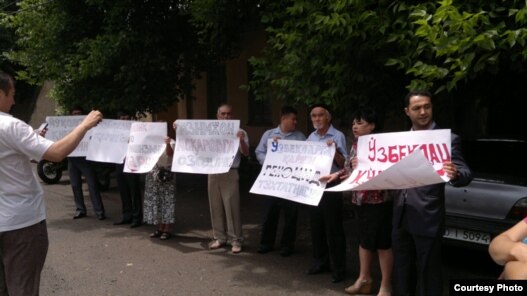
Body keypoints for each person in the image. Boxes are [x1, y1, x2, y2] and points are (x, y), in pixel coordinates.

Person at [0, 70, 103, 295]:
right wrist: (85, 125)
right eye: (12, 94)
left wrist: (34, 136)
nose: (14, 100)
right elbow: (56, 153)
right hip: (21, 225)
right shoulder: (10, 126)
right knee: (23, 289)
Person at [392, 90, 472, 295]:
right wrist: (362, 165)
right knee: (402, 271)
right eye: (417, 108)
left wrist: (454, 174)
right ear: (407, 111)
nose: (423, 111)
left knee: (429, 274)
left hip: (428, 216)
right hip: (400, 215)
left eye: (427, 106)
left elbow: (466, 173)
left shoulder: (447, 139)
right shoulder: (397, 141)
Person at [320, 107, 393, 295]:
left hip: (379, 201)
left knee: (382, 244)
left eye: (359, 123)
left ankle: (385, 285)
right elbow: (348, 168)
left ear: (372, 126)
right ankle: (364, 279)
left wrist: (363, 167)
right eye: (353, 123)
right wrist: (335, 175)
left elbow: (388, 172)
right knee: (363, 240)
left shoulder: (383, 145)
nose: (354, 126)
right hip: (359, 200)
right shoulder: (355, 145)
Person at [255, 106, 306, 257]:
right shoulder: (269, 135)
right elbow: (259, 152)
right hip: (272, 182)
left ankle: (287, 246)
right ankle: (266, 243)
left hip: (291, 183)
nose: (295, 122)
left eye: (296, 119)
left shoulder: (300, 137)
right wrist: (269, 160)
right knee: (270, 212)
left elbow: (306, 156)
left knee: (290, 214)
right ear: (283, 118)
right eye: (293, 119)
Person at [305, 103, 348, 283]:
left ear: (328, 117)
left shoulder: (338, 136)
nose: (317, 119)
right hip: (314, 186)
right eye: (314, 116)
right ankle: (319, 262)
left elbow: (344, 164)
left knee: (334, 228)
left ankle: (339, 268)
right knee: (316, 226)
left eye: (320, 115)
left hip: (331, 186)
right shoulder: (311, 137)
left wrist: (335, 150)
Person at [207, 104, 249, 254]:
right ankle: (219, 237)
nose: (226, 117)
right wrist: (180, 128)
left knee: (232, 206)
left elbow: (245, 153)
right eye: (223, 114)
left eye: (229, 114)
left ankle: (235, 240)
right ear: (217, 116)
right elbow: (194, 142)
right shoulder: (210, 131)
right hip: (213, 171)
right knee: (215, 205)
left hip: (230, 172)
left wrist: (241, 141)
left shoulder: (240, 131)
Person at [67, 106, 106, 220]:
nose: (76, 115)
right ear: (70, 115)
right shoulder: (67, 126)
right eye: (74, 113)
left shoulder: (88, 126)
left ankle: (99, 211)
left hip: (85, 158)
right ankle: (80, 210)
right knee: (75, 185)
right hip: (72, 158)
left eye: (79, 113)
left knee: (92, 184)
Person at [143, 134, 177, 240]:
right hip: (154, 174)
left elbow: (170, 154)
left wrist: (167, 144)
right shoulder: (152, 142)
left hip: (167, 175)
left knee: (167, 202)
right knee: (156, 201)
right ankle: (160, 228)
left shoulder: (172, 142)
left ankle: (167, 229)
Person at [113, 111, 143, 228]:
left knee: (134, 191)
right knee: (123, 190)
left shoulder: (137, 131)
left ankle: (137, 218)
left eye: (127, 117)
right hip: (119, 162)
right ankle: (126, 216)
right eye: (122, 118)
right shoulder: (115, 132)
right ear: (119, 119)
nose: (125, 120)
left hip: (132, 163)